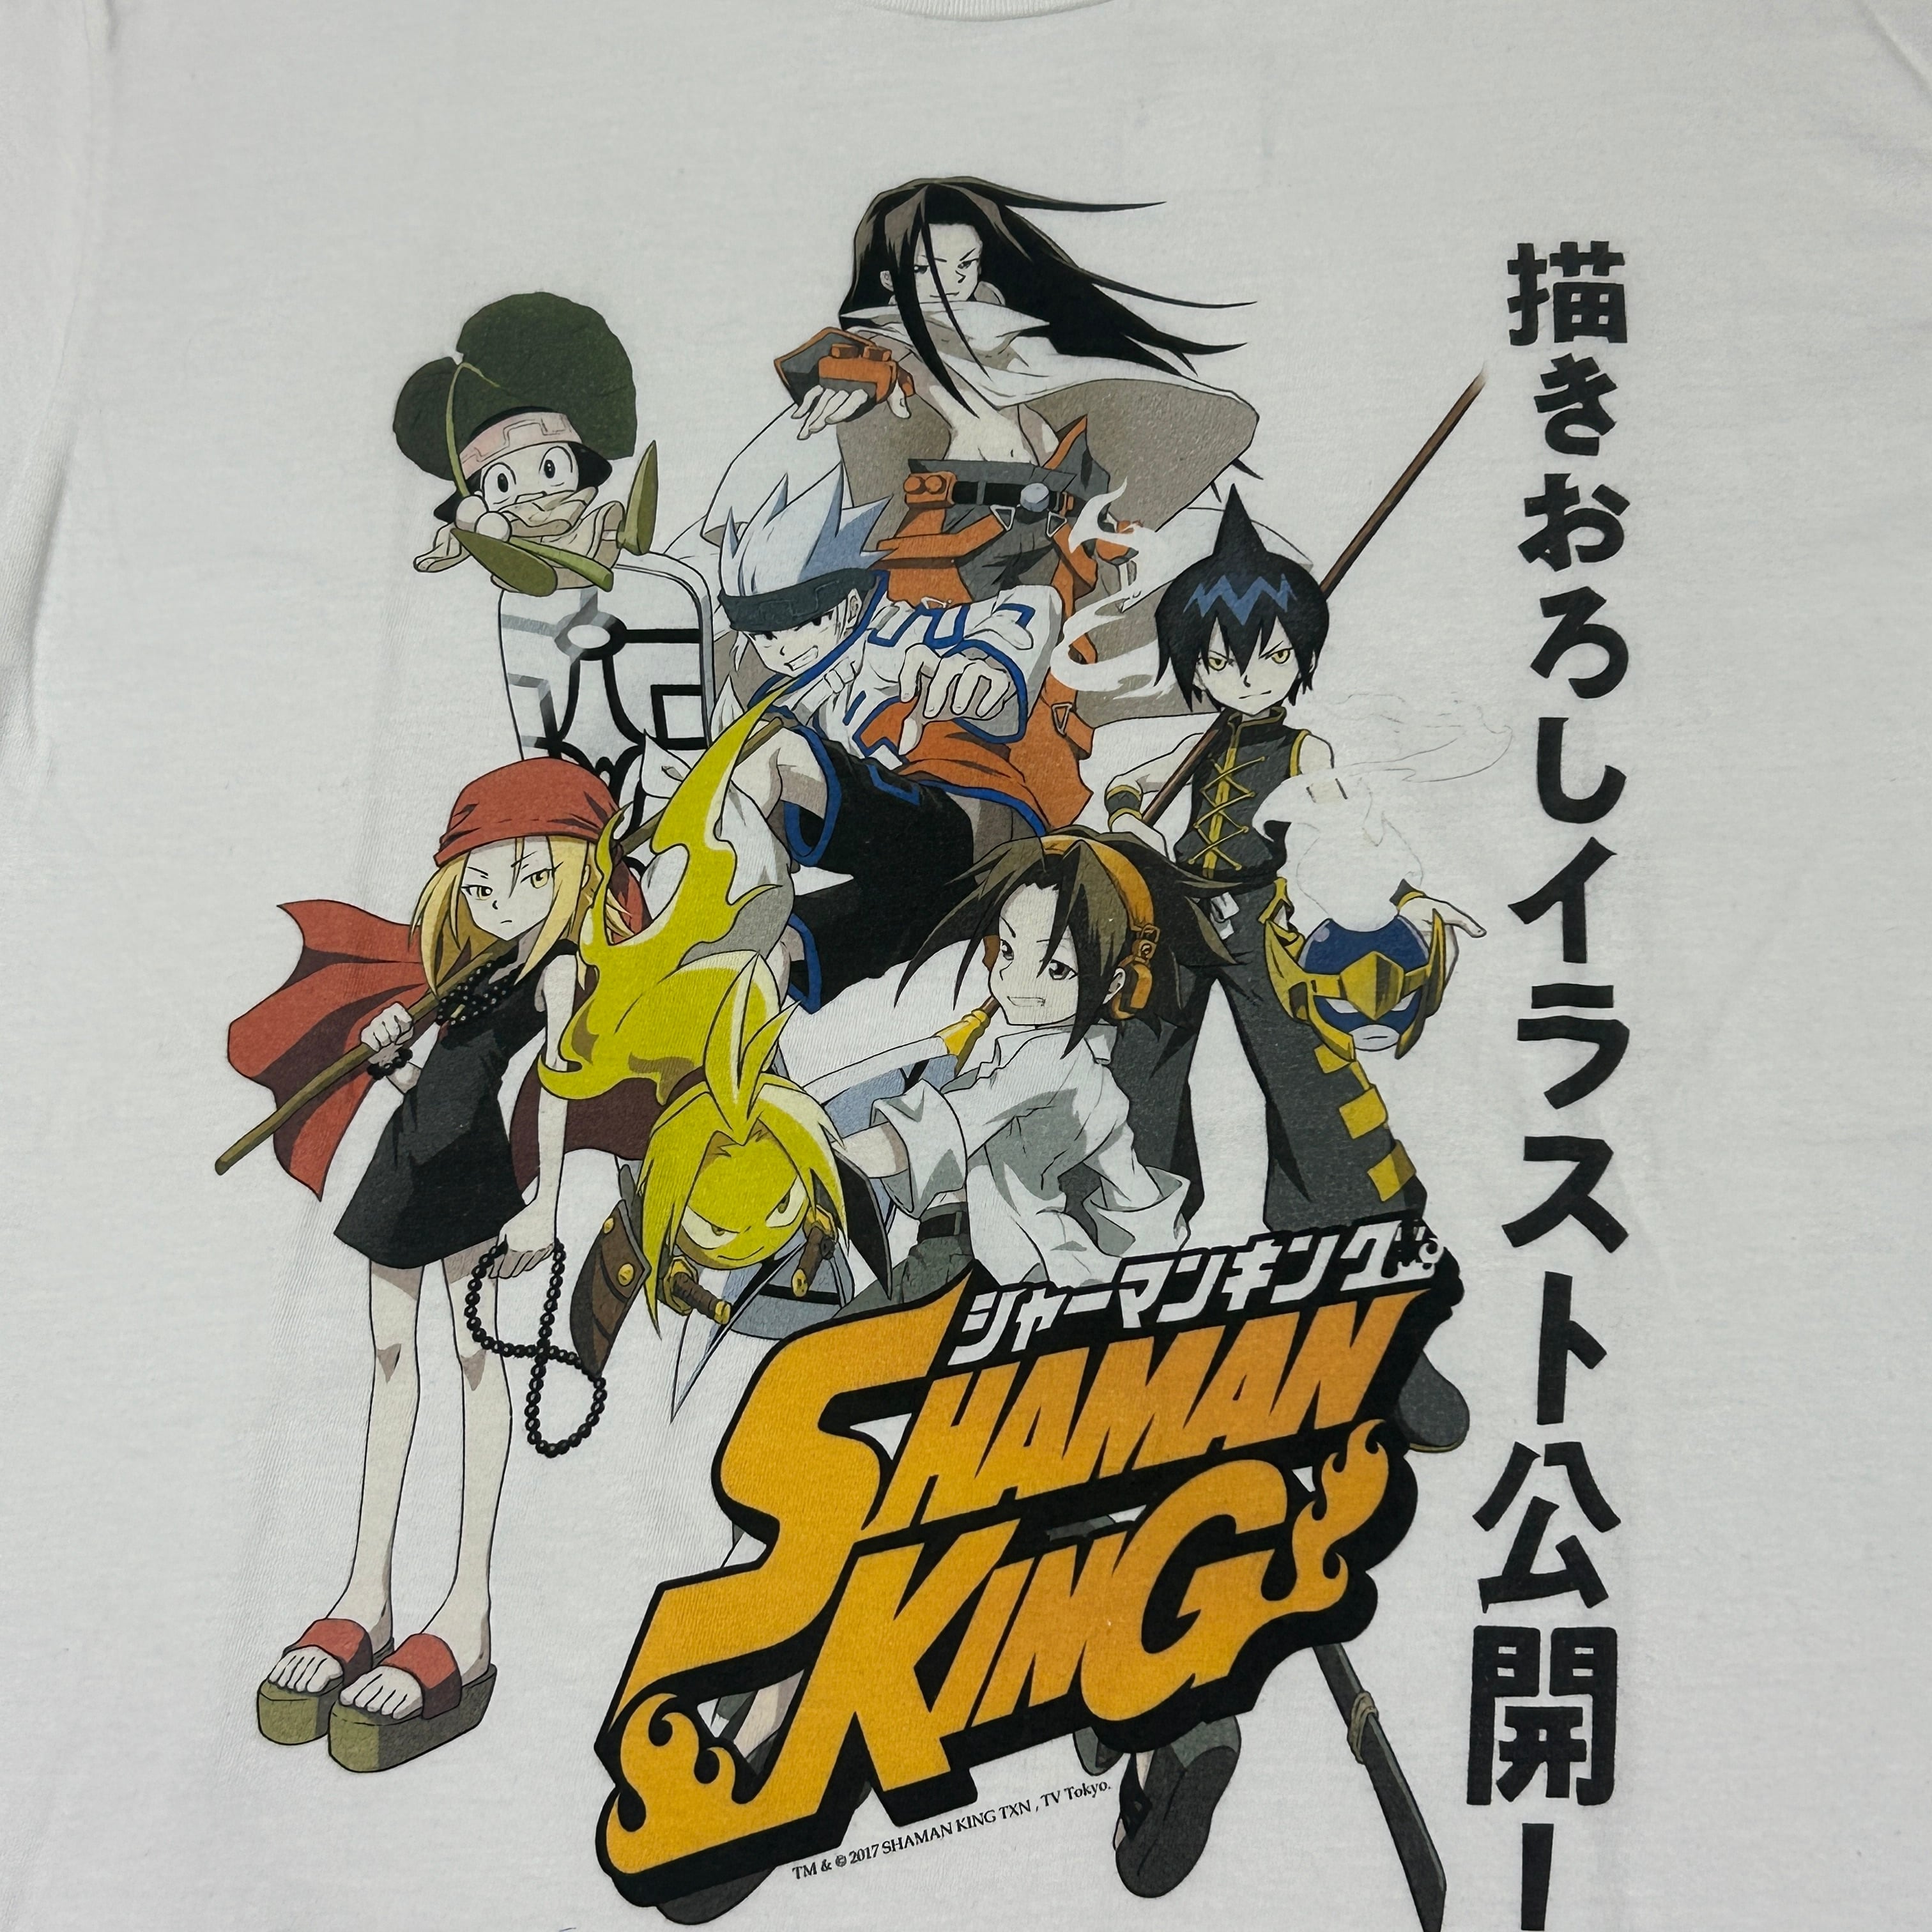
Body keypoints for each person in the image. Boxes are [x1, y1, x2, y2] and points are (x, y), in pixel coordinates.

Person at [230, 760, 641, 1770]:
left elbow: (557, 1086)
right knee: (385, 1360)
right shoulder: (468, 976)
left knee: (472, 1361)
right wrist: (390, 1057)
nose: (503, 900)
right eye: (483, 883)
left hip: (470, 1179)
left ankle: (467, 1614)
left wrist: (546, 1208)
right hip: (405, 1163)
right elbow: (444, 1079)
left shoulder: (555, 974)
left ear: (577, 876)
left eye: (531, 878)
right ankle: (364, 1595)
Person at [705, 177, 1264, 825]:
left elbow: (1074, 482)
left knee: (1014, 738)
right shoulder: (881, 352)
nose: (949, 285)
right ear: (888, 279)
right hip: (918, 576)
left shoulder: (1017, 349)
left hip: (1031, 574)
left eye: (963, 266)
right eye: (924, 270)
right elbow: (842, 361)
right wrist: (867, 383)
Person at [711, 466, 1064, 1008]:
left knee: (777, 754)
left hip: (972, 840)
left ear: (849, 604)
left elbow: (1033, 608)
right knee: (767, 951)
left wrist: (984, 668)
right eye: (763, 636)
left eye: (798, 625)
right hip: (929, 894)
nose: (779, 649)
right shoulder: (786, 700)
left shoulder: (893, 637)